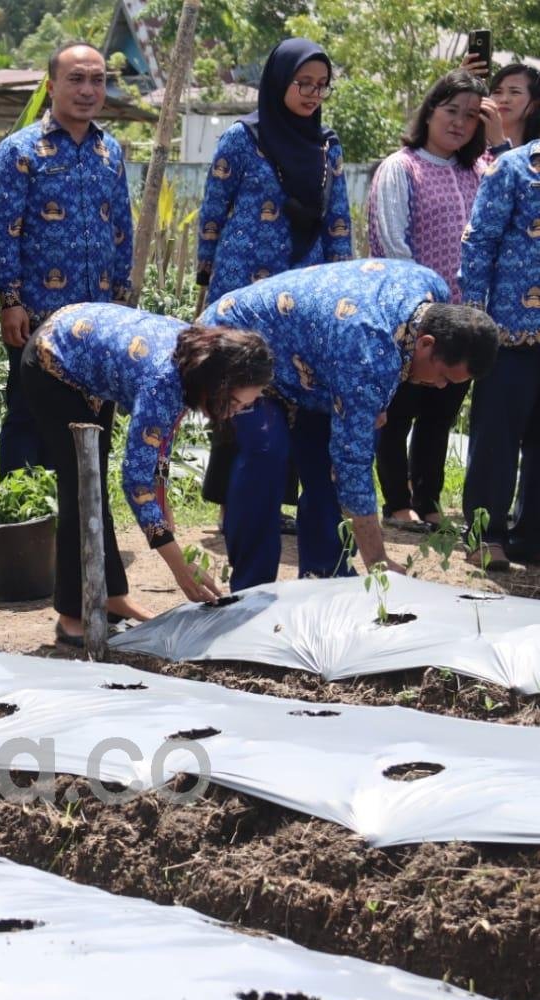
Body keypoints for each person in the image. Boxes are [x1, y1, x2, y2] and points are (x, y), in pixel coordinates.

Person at [201, 259, 498, 589]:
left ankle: (325, 577)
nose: (441, 386)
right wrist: (378, 560)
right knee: (267, 454)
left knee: (327, 465)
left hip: (315, 366)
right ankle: (251, 590)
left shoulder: (432, 294)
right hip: (239, 344)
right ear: (427, 343)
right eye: (444, 376)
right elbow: (353, 464)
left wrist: (378, 402)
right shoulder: (368, 350)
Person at [22, 305, 273, 645]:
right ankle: (71, 616)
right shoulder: (163, 381)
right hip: (55, 359)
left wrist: (163, 504)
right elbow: (136, 479)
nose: (241, 411)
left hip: (90, 360)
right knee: (82, 487)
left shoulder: (196, 366)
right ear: (220, 385)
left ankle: (112, 596)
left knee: (91, 485)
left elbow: (159, 439)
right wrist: (180, 567)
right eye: (239, 403)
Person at [197, 38, 353, 516]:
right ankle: (231, 502)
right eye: (302, 83)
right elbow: (212, 213)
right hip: (242, 288)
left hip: (302, 290)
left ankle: (275, 502)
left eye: (321, 86)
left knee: (292, 387)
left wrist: (338, 285)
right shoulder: (242, 139)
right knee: (241, 385)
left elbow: (338, 221)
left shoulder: (327, 148)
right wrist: (206, 282)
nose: (311, 94)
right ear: (278, 81)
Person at [0, 41, 133, 483]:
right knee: (29, 417)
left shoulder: (111, 152)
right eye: (76, 78)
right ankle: (21, 521)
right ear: (52, 86)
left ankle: (84, 525)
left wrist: (123, 302)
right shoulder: (20, 151)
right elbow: (3, 230)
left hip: (99, 320)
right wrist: (9, 300)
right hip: (38, 318)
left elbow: (122, 230)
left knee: (95, 421)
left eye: (97, 80)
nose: (88, 89)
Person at [367, 71, 487, 532]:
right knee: (397, 416)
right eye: (451, 111)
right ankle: (397, 504)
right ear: (430, 111)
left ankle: (429, 502)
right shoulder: (401, 167)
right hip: (412, 319)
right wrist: (421, 309)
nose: (459, 123)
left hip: (468, 322)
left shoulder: (479, 173)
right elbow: (390, 240)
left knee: (439, 418)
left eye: (471, 116)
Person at [459, 135, 540, 567]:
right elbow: (479, 241)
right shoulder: (514, 168)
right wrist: (475, 320)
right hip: (509, 333)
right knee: (496, 440)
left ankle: (531, 538)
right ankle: (484, 536)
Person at [475, 62, 540, 163]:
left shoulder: (535, 156)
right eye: (497, 92)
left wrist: (499, 145)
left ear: (533, 105)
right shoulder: (471, 150)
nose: (504, 99)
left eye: (515, 92)